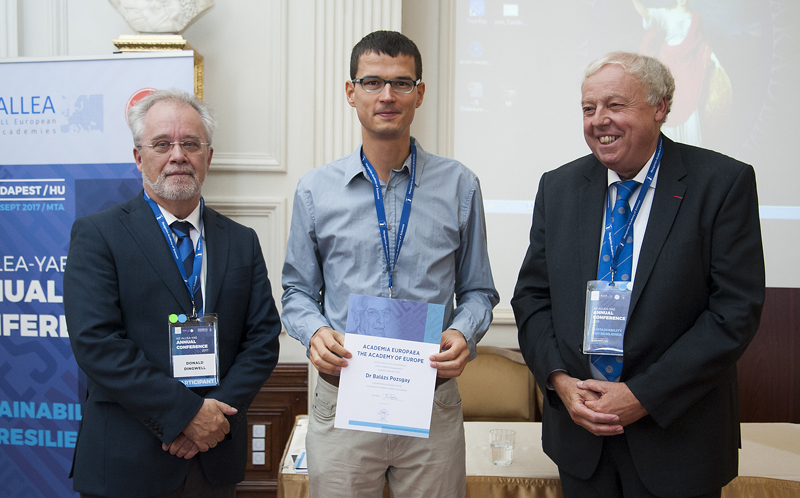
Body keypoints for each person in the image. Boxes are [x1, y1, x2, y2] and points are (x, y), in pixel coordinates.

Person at [511, 52, 764, 497]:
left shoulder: (722, 183)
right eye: (588, 109)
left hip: (679, 442)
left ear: (660, 107)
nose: (598, 120)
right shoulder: (559, 187)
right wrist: (559, 381)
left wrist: (643, 395)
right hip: (582, 441)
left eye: (615, 105)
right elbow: (531, 298)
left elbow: (734, 313)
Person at [281, 30, 499, 497]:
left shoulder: (460, 185)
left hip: (430, 403)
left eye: (401, 83)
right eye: (372, 82)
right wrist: (315, 333)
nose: (387, 95)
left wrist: (463, 332)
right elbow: (297, 292)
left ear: (419, 93)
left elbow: (479, 291)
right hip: (343, 398)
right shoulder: (315, 190)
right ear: (350, 92)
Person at [64, 89, 282, 498]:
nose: (178, 155)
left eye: (191, 144)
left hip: (213, 458)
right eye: (162, 144)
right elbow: (97, 343)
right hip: (127, 461)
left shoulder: (241, 240)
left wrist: (212, 419)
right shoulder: (98, 235)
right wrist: (185, 415)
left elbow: (262, 340)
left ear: (209, 157)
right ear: (138, 157)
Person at [632, 0, 726, 146]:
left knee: (690, 101)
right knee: (668, 104)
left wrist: (714, 59)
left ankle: (690, 148)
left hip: (687, 67)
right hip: (668, 65)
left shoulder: (695, 17)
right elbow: (647, 14)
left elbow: (701, 44)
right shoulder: (666, 14)